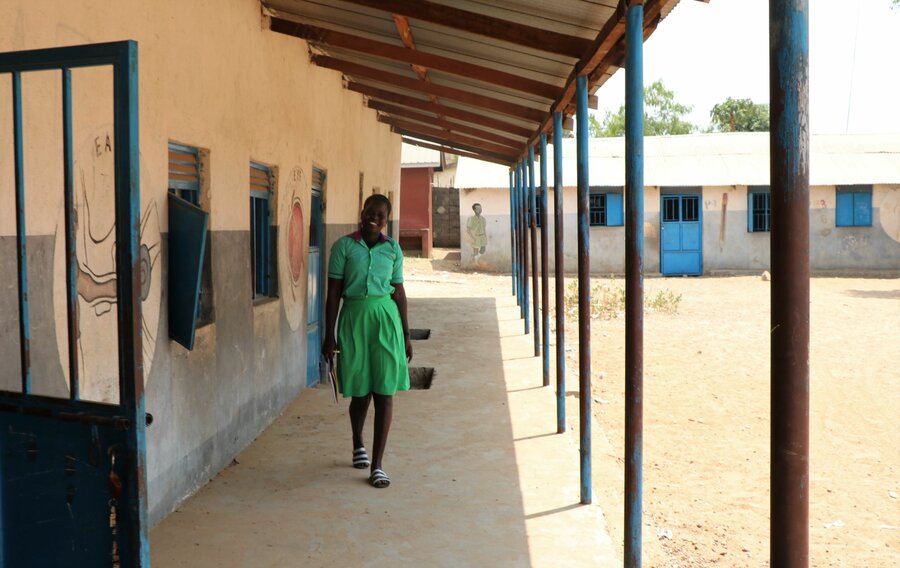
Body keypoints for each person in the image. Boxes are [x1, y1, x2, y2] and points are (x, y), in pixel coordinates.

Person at [321, 194, 412, 489]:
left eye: (381, 215)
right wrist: (328, 334)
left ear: (387, 219)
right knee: (361, 393)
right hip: (353, 320)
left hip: (385, 321)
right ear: (361, 212)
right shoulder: (344, 246)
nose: (374, 218)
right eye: (370, 212)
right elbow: (333, 293)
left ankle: (377, 465)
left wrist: (407, 334)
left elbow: (398, 292)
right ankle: (357, 440)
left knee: (385, 392)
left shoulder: (393, 249)